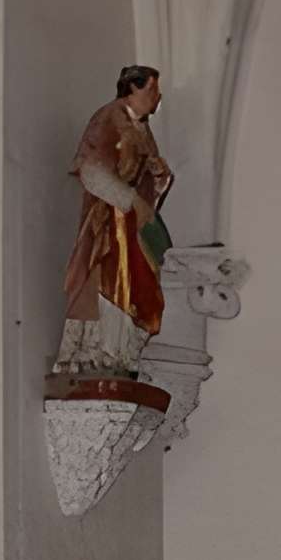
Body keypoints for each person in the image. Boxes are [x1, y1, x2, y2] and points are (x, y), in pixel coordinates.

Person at [56, 64, 173, 377]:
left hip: (132, 222)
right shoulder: (108, 118)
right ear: (132, 89)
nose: (156, 97)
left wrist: (158, 177)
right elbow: (91, 170)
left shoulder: (142, 129)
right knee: (110, 278)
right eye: (151, 90)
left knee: (141, 282)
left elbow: (148, 184)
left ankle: (120, 352)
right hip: (109, 221)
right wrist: (131, 199)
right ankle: (101, 351)